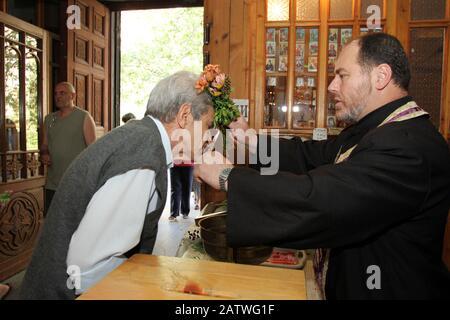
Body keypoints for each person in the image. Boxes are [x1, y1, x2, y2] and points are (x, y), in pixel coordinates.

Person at [195, 33, 450, 299]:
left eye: (342, 75)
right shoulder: (370, 131)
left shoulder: (408, 146)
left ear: (380, 76)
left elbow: (323, 200)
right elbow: (309, 156)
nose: (331, 85)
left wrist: (227, 177)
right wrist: (250, 140)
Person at [20, 71, 214, 299]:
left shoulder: (140, 138)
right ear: (185, 115)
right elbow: (87, 267)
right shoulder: (143, 155)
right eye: (208, 126)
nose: (209, 137)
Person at [41, 82, 96, 215]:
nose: (58, 96)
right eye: (55, 93)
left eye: (62, 93)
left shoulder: (83, 117)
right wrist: (44, 153)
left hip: (76, 183)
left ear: (73, 96)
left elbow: (93, 150)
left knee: (74, 224)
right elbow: (44, 145)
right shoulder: (49, 119)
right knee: (52, 223)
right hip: (53, 183)